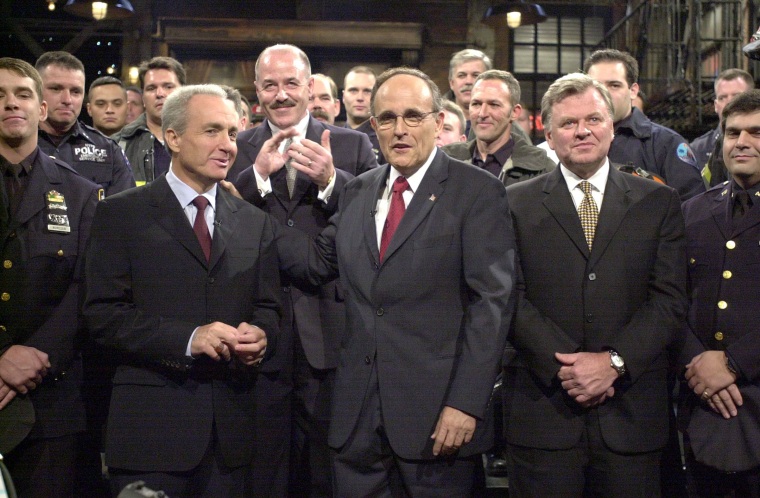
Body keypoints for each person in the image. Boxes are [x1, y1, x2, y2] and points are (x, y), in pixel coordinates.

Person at [277, 66, 515, 496]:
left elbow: (491, 306)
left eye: (413, 116)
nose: (399, 130)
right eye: (386, 119)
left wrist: (465, 403)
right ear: (374, 127)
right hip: (356, 424)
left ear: (439, 121)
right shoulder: (357, 192)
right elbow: (317, 263)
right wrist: (239, 207)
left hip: (438, 421)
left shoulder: (476, 192)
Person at [83, 84, 281, 497]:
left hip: (231, 440)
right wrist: (190, 339)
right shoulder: (121, 214)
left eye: (231, 132)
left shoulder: (252, 220)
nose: (227, 145)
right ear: (172, 137)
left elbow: (269, 308)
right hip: (150, 437)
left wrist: (262, 336)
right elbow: (102, 315)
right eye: (212, 131)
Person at [503, 73, 688, 496]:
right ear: (546, 132)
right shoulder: (513, 201)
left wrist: (614, 363)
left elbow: (670, 299)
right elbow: (507, 296)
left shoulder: (658, 200)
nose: (582, 130)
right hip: (543, 413)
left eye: (593, 119)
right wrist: (567, 368)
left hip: (632, 417)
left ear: (612, 126)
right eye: (568, 123)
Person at [227, 44, 377, 497]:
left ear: (310, 87)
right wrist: (254, 178)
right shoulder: (236, 145)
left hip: (330, 333)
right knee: (263, 470)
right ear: (256, 92)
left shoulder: (352, 145)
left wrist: (332, 181)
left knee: (324, 471)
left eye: (291, 83)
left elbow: (372, 220)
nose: (281, 95)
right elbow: (221, 216)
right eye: (270, 85)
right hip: (257, 327)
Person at [0, 57, 100, 497]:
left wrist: (35, 353)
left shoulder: (79, 193)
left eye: (22, 94)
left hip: (51, 398)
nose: (10, 104)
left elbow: (88, 286)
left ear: (41, 110)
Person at [679, 89, 760, 497]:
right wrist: (698, 363)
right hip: (702, 406)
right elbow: (670, 299)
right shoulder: (693, 212)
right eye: (732, 133)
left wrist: (733, 362)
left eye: (756, 132)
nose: (741, 142)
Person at [584, 49, 705, 200]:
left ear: (633, 91)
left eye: (614, 85)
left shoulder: (666, 143)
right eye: (597, 86)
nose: (604, 93)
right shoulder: (572, 140)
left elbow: (692, 206)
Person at [35, 51, 134, 197]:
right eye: (56, 89)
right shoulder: (14, 145)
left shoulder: (109, 151)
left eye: (76, 91)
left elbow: (125, 211)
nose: (67, 99)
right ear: (36, 91)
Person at [442, 70, 555, 186]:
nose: (482, 113)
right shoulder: (444, 160)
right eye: (476, 104)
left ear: (514, 112)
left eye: (494, 105)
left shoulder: (543, 170)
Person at [113, 56, 185, 185]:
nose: (160, 93)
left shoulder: (204, 140)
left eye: (168, 86)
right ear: (143, 98)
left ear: (184, 93)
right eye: (151, 88)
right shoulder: (117, 144)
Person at [690, 69, 754, 186]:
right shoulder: (697, 149)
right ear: (715, 105)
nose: (729, 103)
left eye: (737, 96)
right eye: (722, 97)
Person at [446, 49, 492, 136]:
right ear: (452, 83)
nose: (468, 81)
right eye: (461, 75)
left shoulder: (503, 123)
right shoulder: (435, 120)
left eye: (475, 75)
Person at [343, 65, 384, 163]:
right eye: (353, 90)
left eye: (367, 91)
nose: (360, 97)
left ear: (376, 97)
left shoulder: (385, 140)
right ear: (343, 96)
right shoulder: (331, 137)